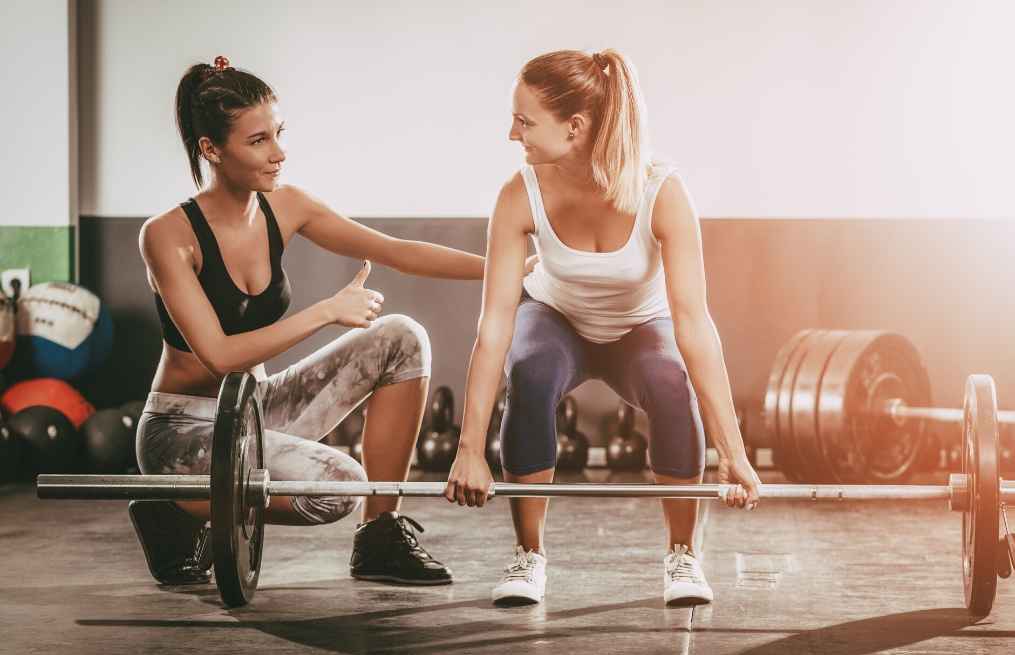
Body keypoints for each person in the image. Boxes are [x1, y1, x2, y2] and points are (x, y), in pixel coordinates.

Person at [133, 56, 482, 588]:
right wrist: (326, 311)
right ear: (212, 149)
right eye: (257, 141)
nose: (278, 153)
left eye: (279, 133)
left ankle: (380, 535)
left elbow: (396, 250)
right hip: (184, 430)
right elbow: (221, 355)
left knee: (401, 338)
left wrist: (509, 272)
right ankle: (178, 509)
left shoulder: (285, 206)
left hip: (254, 412)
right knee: (338, 488)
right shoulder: (167, 234)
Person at [443, 49, 762, 607]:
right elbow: (494, 325)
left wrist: (730, 451)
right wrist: (471, 448)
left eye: (524, 121)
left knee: (670, 380)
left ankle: (683, 554)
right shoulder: (520, 193)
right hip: (555, 319)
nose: (510, 132)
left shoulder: (661, 190)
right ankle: (528, 556)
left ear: (575, 127)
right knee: (531, 369)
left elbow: (693, 324)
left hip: (641, 326)